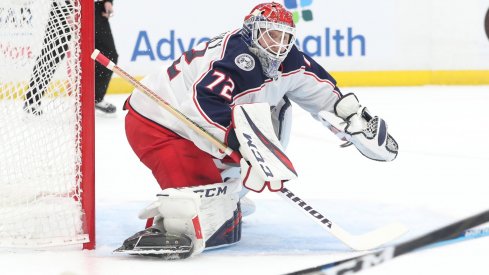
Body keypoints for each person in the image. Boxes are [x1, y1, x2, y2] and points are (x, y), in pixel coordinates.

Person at [118, 2, 398, 259]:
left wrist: (354, 119)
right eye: (270, 35)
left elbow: (321, 89)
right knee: (207, 224)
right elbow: (202, 108)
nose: (279, 44)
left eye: (285, 37)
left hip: (204, 125)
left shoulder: (291, 60)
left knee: (274, 111)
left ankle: (230, 193)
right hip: (160, 124)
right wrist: (244, 150)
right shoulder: (232, 58)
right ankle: (174, 223)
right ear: (252, 31)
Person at [24, 0, 117, 116]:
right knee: (52, 54)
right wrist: (67, 9)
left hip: (94, 7)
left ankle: (96, 98)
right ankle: (32, 99)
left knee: (108, 53)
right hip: (65, 7)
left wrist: (108, 1)